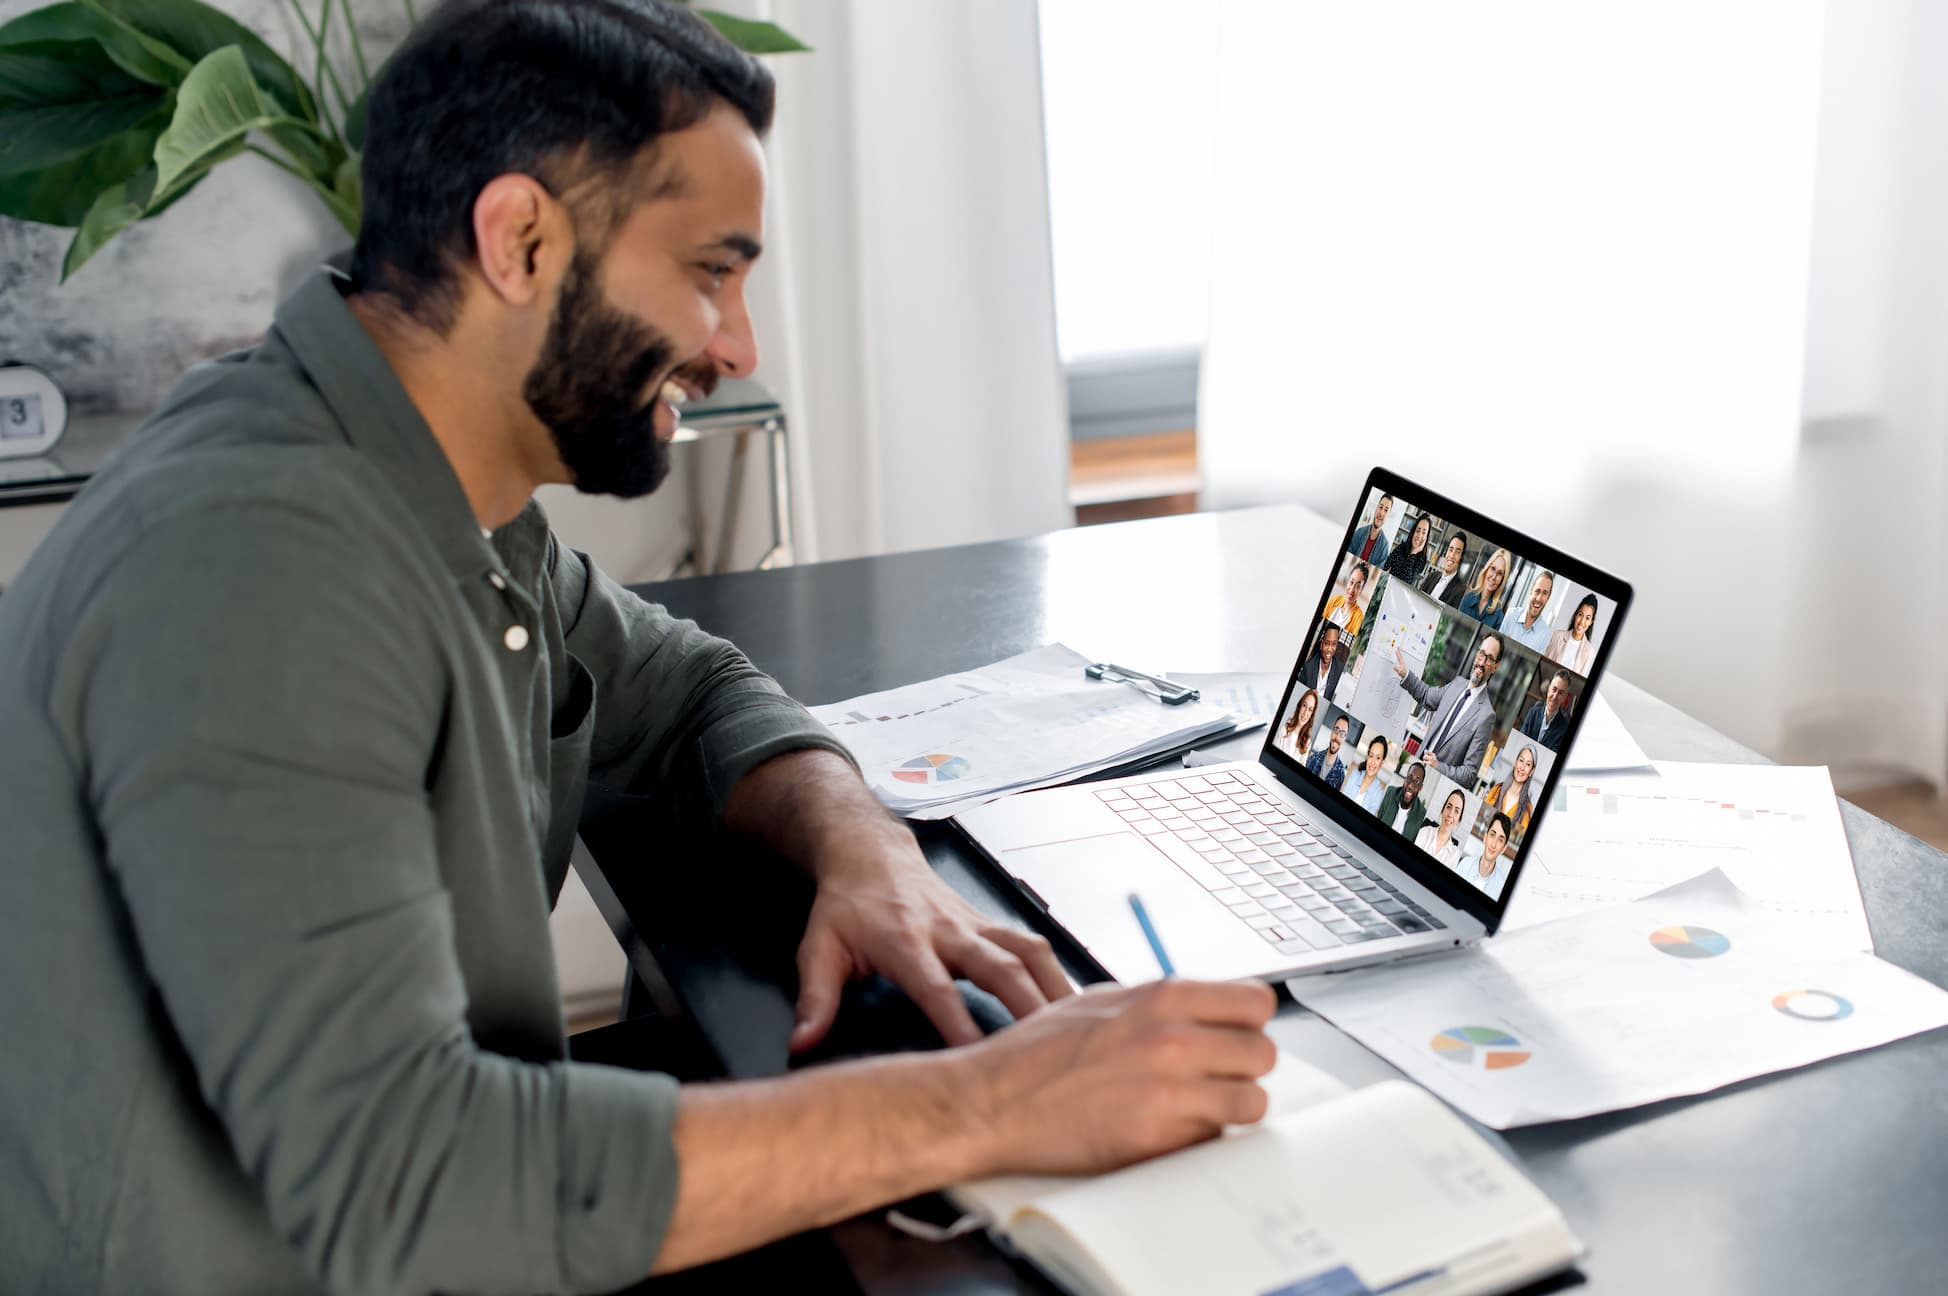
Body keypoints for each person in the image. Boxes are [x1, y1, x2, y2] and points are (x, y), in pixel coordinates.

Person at [0, 6, 1280, 1292]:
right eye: (711, 271)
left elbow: (684, 688)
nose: (740, 346)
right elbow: (407, 1186)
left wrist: (861, 844)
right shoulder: (262, 572)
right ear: (521, 241)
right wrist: (995, 1101)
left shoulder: (420, 482)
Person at [1390, 634, 1502, 785]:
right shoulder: (1457, 684)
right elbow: (1427, 695)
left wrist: (1438, 766)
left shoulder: (1486, 716)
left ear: (1495, 667)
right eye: (1481, 653)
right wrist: (1406, 674)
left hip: (1435, 783)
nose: (1482, 662)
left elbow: (1469, 775)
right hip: (1415, 769)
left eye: (1489, 658)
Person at [1483, 744, 1538, 840]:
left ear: (1531, 771)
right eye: (1521, 760)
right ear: (1515, 762)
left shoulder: (1528, 808)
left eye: (1528, 764)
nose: (1522, 767)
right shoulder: (1496, 789)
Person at [1457, 547, 1512, 630]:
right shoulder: (1467, 600)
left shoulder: (1498, 616)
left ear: (1502, 580)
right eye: (1493, 569)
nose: (1494, 577)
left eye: (1500, 573)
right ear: (1487, 569)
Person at [1520, 669, 1577, 750]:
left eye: (1560, 693)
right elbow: (1520, 741)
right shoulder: (1533, 712)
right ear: (1549, 690)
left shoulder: (1564, 728)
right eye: (1554, 689)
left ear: (1565, 698)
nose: (1555, 696)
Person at [1546, 593, 1599, 675]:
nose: (1582, 621)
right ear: (1575, 615)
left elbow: (1579, 683)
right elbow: (1544, 664)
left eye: (1587, 618)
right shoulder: (1558, 636)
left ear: (1591, 622)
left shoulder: (1589, 651)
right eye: (1580, 614)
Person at [1504, 569, 1554, 654]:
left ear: (1548, 598)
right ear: (1531, 592)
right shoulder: (1511, 615)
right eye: (1537, 591)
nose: (1538, 598)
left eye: (1545, 593)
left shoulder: (1546, 634)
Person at [1377, 760, 1430, 839]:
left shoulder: (1421, 814)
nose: (1410, 785)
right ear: (1405, 779)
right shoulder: (1390, 792)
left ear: (1420, 787)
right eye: (1409, 778)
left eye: (1417, 782)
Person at [1415, 789, 1468, 867]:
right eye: (1449, 807)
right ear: (1442, 810)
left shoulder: (1454, 855)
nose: (1450, 814)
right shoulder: (1424, 832)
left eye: (1456, 811)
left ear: (1459, 820)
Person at [1465, 813, 1515, 895]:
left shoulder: (1501, 888)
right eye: (1492, 834)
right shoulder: (1465, 864)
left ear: (1503, 849)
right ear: (1485, 837)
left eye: (1500, 840)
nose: (1493, 844)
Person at [1418, 530, 1469, 608]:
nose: (1452, 555)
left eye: (1457, 552)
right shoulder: (1431, 576)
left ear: (1461, 557)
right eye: (1451, 549)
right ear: (1446, 552)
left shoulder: (1460, 590)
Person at [1297, 623, 1345, 702]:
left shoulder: (1340, 669)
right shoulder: (1308, 667)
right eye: (1326, 643)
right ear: (1321, 644)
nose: (1329, 649)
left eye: (1334, 644)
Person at [1343, 735, 1391, 814]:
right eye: (1371, 756)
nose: (1372, 762)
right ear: (1367, 756)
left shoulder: (1379, 793)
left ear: (1382, 762)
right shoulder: (1354, 775)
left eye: (1378, 758)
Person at [1383, 513, 1433, 584]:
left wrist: (1414, 553)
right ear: (1413, 531)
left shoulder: (1421, 560)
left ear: (1427, 537)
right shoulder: (1401, 548)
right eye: (1418, 531)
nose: (1419, 535)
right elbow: (1384, 566)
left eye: (1424, 533)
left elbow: (1406, 581)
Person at [1346, 492, 1393, 567]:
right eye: (1380, 507)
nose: (1381, 513)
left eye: (1386, 510)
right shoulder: (1359, 532)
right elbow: (1346, 559)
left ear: (1388, 515)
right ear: (1376, 508)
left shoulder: (1384, 546)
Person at [1323, 562, 1370, 636]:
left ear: (1361, 590)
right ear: (1348, 581)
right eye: (1351, 582)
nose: (1351, 590)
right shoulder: (1334, 600)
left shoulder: (1358, 617)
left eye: (1358, 586)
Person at [1307, 715, 1352, 792]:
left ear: (1344, 739)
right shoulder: (1313, 758)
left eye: (1342, 734)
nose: (1337, 737)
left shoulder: (1341, 775)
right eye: (1336, 730)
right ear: (1332, 731)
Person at [1280, 688, 1321, 759]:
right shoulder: (1284, 730)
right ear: (1299, 706)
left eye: (1310, 710)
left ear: (1311, 715)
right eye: (1304, 705)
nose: (1305, 713)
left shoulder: (1307, 743)